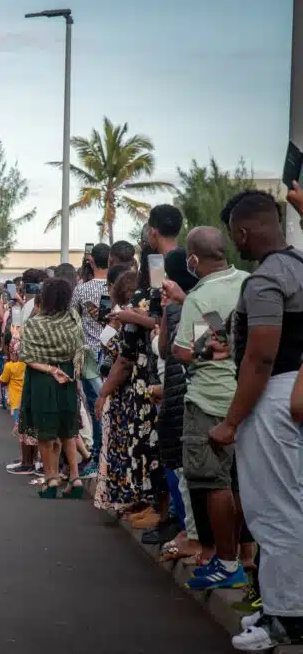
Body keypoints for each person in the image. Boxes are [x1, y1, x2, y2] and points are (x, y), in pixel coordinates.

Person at [211, 190, 303, 650]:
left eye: (235, 235)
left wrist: (230, 421)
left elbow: (262, 355)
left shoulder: (266, 278)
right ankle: (279, 608)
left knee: (274, 510)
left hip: (274, 399)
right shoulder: (299, 266)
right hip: (293, 391)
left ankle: (286, 618)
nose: (236, 244)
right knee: (291, 504)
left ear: (245, 231)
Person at [165, 226, 249, 591]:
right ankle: (242, 556)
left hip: (209, 400)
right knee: (240, 482)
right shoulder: (247, 282)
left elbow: (184, 350)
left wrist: (194, 347)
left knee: (212, 483)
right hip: (247, 397)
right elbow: (222, 332)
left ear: (193, 259)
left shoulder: (200, 297)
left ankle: (227, 563)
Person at [94, 269, 161, 519]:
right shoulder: (143, 314)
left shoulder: (134, 317)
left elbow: (123, 358)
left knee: (142, 448)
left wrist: (103, 393)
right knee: (143, 448)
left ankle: (152, 505)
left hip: (140, 388)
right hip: (145, 384)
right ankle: (147, 503)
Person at [19, 277, 86, 498]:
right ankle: (75, 478)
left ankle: (51, 480)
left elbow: (27, 356)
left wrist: (50, 369)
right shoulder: (73, 318)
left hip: (43, 379)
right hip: (68, 376)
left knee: (45, 433)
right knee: (68, 430)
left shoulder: (35, 323)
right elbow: (80, 347)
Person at [72, 243, 111, 473]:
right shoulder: (117, 286)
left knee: (95, 407)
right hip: (112, 353)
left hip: (88, 353)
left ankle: (97, 457)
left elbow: (73, 318)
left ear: (91, 261)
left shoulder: (81, 290)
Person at [0, 339, 31, 474]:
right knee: (29, 432)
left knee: (21, 432)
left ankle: (25, 459)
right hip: (27, 400)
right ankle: (31, 458)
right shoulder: (27, 365)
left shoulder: (9, 366)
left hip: (16, 402)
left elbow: (3, 380)